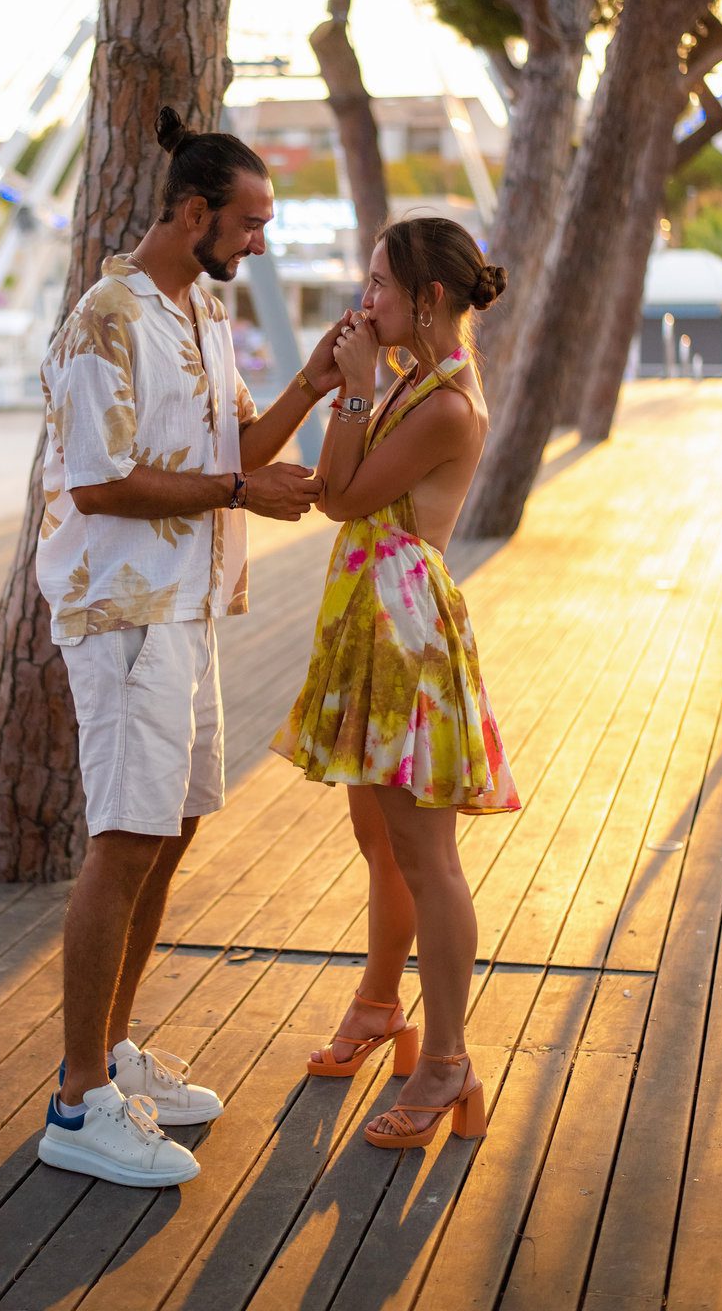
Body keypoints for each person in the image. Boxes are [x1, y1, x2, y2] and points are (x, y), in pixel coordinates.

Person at [36, 106, 346, 1187]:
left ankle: (112, 1054)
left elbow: (240, 446)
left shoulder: (200, 312)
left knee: (175, 828)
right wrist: (237, 490)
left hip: (186, 605)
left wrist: (311, 384)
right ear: (191, 211)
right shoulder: (106, 320)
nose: (260, 239)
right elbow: (97, 482)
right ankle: (77, 1104)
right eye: (251, 221)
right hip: (122, 612)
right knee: (126, 836)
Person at [272, 215, 520, 1152]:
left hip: (407, 633)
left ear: (425, 301)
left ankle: (448, 1058)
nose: (361, 298)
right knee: (379, 839)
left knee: (428, 855)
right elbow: (337, 488)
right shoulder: (410, 381)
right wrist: (347, 389)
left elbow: (339, 496)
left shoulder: (446, 402)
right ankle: (382, 1005)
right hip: (370, 622)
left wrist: (352, 392)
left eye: (378, 284)